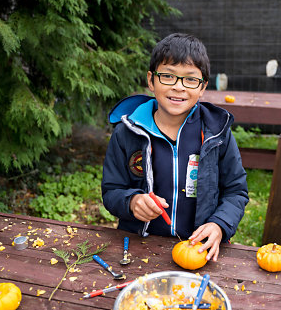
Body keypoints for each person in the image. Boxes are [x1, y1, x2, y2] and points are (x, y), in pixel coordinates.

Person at [101, 33, 249, 261]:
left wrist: (220, 225)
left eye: (190, 79)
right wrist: (132, 202)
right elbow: (112, 190)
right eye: (168, 76)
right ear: (151, 80)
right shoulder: (126, 133)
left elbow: (235, 191)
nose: (179, 87)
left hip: (200, 250)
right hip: (139, 246)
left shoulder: (217, 134)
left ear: (203, 87)